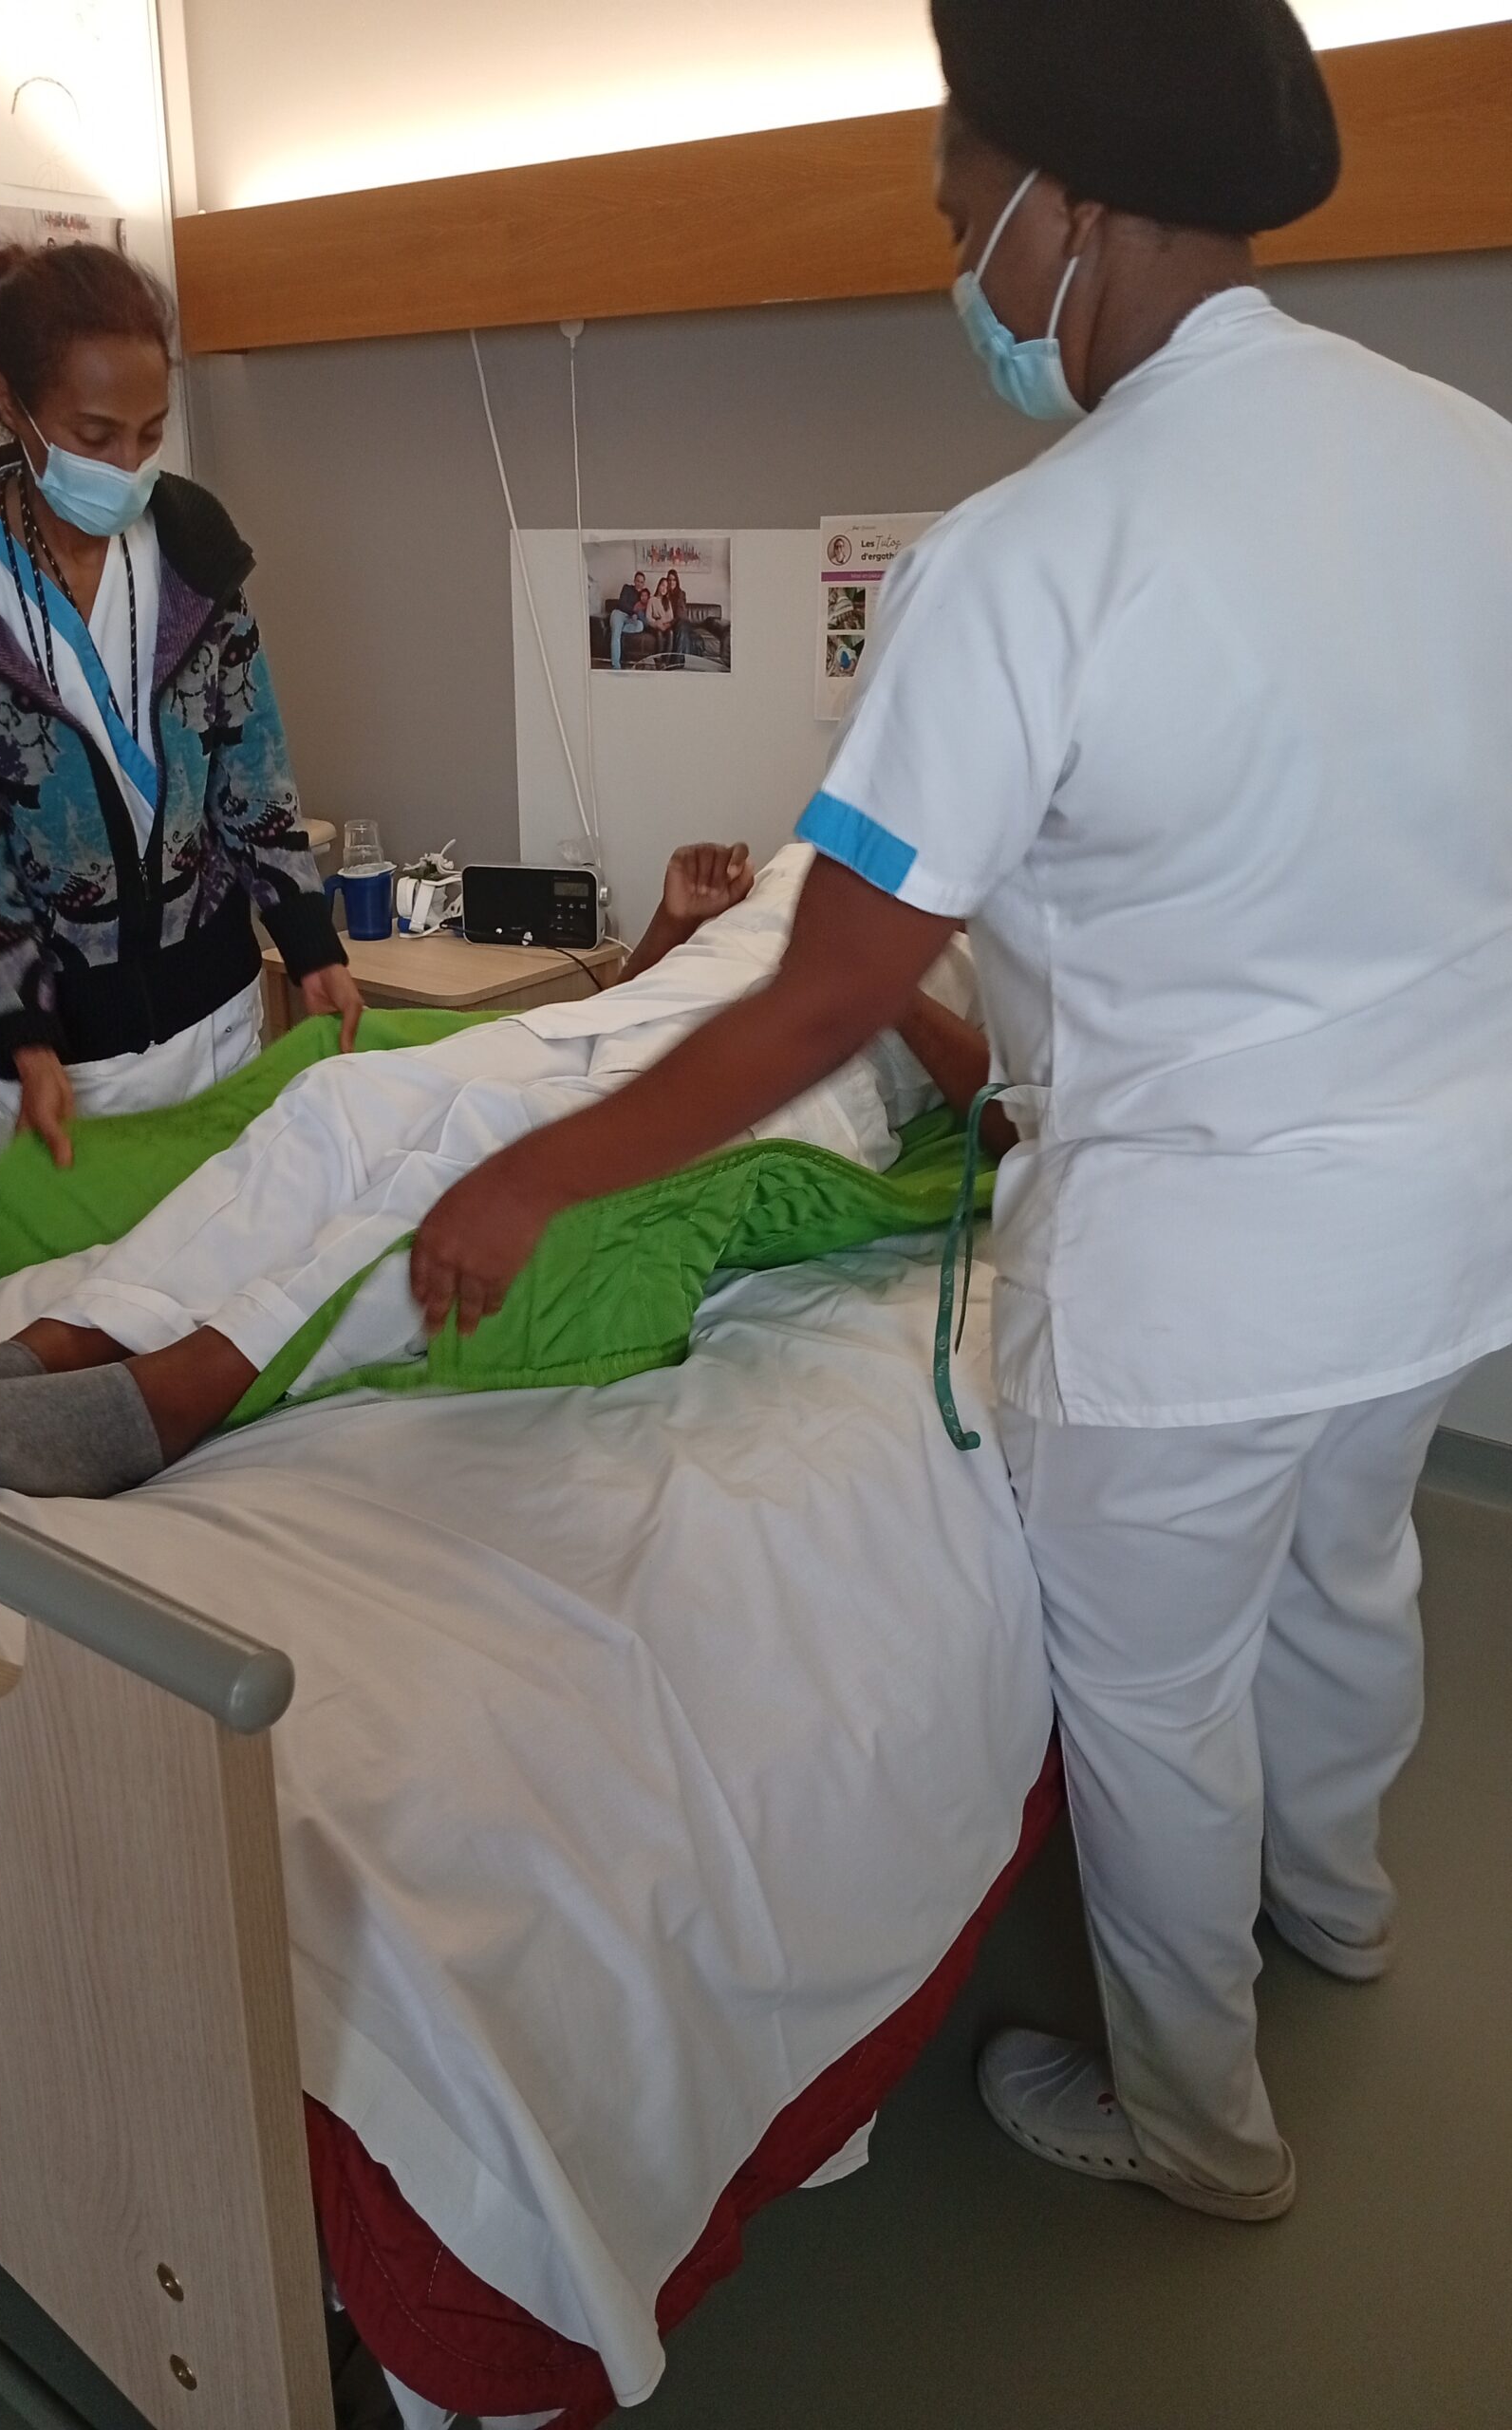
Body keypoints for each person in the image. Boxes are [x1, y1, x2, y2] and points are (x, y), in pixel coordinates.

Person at [402, 0, 1512, 2226]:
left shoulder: (1027, 554)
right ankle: (1342, 1905)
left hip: (1195, 1276)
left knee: (1154, 1695)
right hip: (1447, 1219)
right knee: (1352, 1564)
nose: (957, 267)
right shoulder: (1467, 456)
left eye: (956, 211)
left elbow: (830, 978)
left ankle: (1196, 2126)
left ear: (1066, 208)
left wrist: (533, 1166)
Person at [0, 842, 989, 1488]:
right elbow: (651, 992)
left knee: (482, 1153)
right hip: (602, 1029)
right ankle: (65, 1342)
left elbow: (1007, 1122)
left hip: (772, 1091)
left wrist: (881, 973)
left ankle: (178, 1393)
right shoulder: (815, 856)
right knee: (341, 1096)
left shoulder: (990, 944)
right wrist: (680, 920)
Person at [0, 241, 361, 1160]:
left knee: (230, 1234)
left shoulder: (193, 547)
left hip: (216, 1004)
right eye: (95, 437)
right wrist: (24, 1033)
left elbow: (251, 763)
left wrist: (308, 941)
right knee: (103, 1254)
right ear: (12, 403)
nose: (127, 465)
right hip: (60, 1047)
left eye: (149, 433)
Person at [607, 570, 648, 670]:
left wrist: (637, 615)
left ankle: (618, 629)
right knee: (616, 636)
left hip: (629, 619)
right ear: (634, 581)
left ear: (643, 584)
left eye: (641, 582)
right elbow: (622, 603)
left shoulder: (643, 596)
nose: (639, 584)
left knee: (640, 625)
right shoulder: (627, 588)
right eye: (638, 581)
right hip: (619, 613)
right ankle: (616, 666)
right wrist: (633, 612)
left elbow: (643, 613)